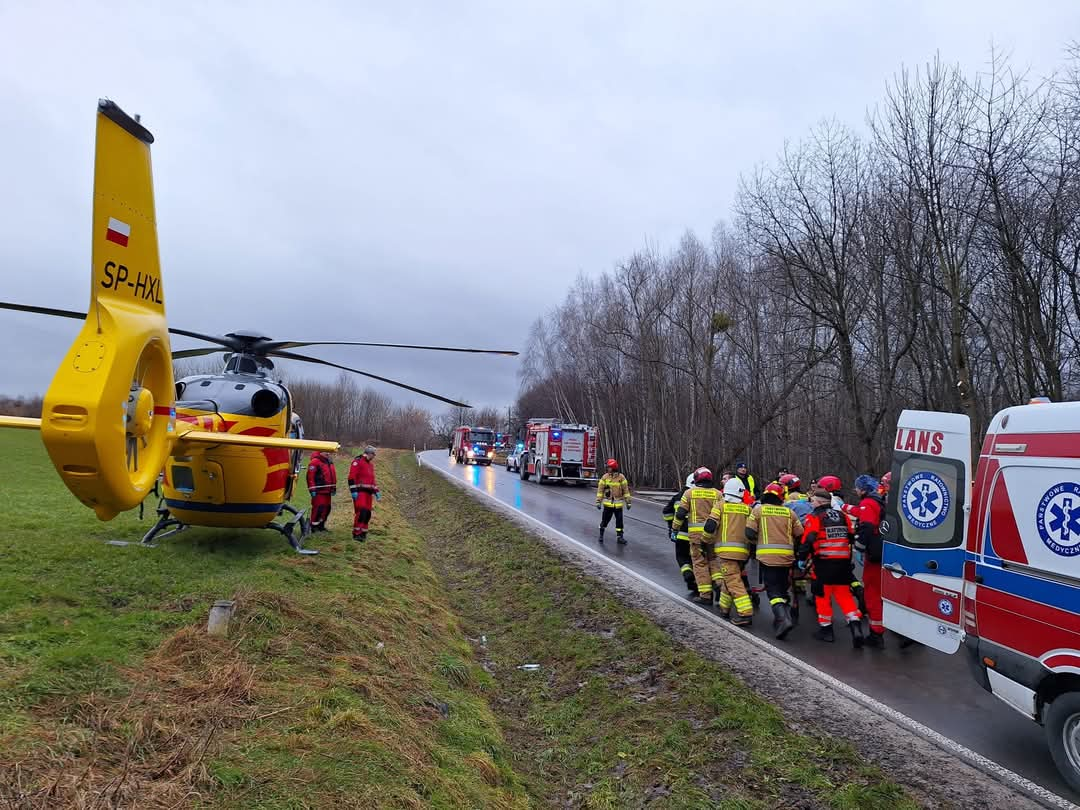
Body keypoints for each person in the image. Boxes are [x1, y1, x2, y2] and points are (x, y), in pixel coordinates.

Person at [798, 489, 864, 647]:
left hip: (823, 564)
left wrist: (801, 558)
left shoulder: (814, 517)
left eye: (813, 501)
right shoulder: (843, 516)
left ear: (820, 502)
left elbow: (809, 539)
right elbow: (850, 536)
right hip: (842, 564)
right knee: (845, 597)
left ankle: (826, 630)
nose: (811, 503)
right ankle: (856, 627)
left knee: (823, 597)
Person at [746, 482, 803, 638]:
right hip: (787, 557)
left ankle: (783, 618)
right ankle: (784, 617)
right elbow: (800, 534)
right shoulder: (789, 513)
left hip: (767, 558)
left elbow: (749, 533)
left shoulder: (758, 511)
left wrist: (756, 544)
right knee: (783, 589)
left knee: (772, 591)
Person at [702, 476, 754, 624]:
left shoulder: (720, 506)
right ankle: (724, 608)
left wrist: (704, 541)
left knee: (734, 581)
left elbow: (710, 526)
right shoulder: (747, 509)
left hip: (726, 553)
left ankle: (745, 613)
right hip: (743, 553)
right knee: (729, 579)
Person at [843, 474, 887, 648]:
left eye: (857, 487)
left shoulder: (868, 503)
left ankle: (876, 634)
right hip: (882, 552)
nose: (855, 490)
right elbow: (861, 511)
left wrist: (859, 547)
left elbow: (867, 525)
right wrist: (844, 507)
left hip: (874, 554)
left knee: (873, 593)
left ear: (862, 489)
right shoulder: (878, 501)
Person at [673, 467, 723, 605]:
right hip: (713, 535)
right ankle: (719, 585)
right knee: (713, 561)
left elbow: (680, 514)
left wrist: (675, 529)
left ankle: (705, 595)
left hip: (696, 537)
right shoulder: (718, 494)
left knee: (700, 564)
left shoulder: (689, 493)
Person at [663, 473, 697, 594]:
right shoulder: (700, 496)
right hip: (698, 535)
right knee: (698, 560)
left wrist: (670, 527)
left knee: (682, 557)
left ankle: (688, 574)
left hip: (681, 533)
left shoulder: (678, 497)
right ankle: (701, 584)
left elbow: (666, 512)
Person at [595, 458, 632, 544]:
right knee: (604, 521)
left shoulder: (621, 477)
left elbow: (626, 491)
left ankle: (620, 537)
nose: (608, 469)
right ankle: (601, 535)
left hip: (618, 505)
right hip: (608, 505)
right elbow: (600, 491)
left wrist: (628, 502)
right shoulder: (605, 477)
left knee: (619, 522)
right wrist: (598, 501)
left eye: (609, 467)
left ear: (614, 468)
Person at [348, 445, 380, 541]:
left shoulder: (370, 465)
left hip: (368, 493)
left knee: (367, 514)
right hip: (360, 492)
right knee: (361, 512)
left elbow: (372, 480)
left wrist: (376, 491)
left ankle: (363, 532)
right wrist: (353, 491)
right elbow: (351, 477)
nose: (374, 456)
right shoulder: (357, 462)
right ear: (368, 453)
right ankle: (357, 533)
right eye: (373, 454)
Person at [306, 449, 337, 532]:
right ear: (320, 452)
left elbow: (332, 475)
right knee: (319, 508)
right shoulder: (315, 462)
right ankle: (313, 527)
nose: (327, 453)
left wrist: (333, 488)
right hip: (319, 490)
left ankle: (321, 525)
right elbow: (310, 477)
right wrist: (312, 489)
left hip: (328, 490)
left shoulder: (329, 461)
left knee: (327, 508)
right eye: (325, 452)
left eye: (328, 452)